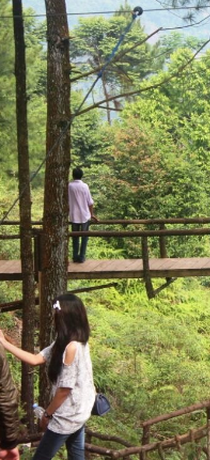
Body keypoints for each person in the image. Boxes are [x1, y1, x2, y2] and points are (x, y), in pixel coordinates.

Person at [0, 294, 95, 460]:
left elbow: (64, 390)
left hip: (67, 416)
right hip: (79, 412)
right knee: (77, 455)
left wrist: (47, 415)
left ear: (64, 317)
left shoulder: (72, 347)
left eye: (55, 314)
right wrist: (5, 343)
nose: (53, 318)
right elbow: (36, 359)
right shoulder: (70, 340)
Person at [68, 168, 98, 263]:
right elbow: (90, 202)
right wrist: (92, 214)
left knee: (75, 237)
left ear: (73, 175)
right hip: (85, 215)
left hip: (74, 216)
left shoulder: (69, 186)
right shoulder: (85, 186)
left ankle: (75, 256)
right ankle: (82, 257)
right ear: (81, 175)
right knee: (84, 237)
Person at [0, 341, 20, 460]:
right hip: (7, 411)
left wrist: (10, 436)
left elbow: (5, 396)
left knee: (10, 453)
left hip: (5, 412)